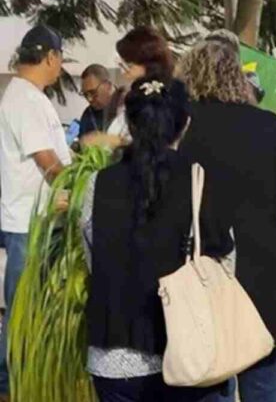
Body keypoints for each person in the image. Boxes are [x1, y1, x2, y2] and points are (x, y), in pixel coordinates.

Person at [177, 31, 276, 402]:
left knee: (209, 383)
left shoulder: (182, 129)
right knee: (264, 389)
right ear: (238, 76)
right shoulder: (267, 125)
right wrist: (268, 212)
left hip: (205, 272)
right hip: (267, 272)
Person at [79, 77, 232, 401]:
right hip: (187, 354)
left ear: (129, 123)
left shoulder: (98, 183)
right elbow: (223, 257)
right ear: (184, 122)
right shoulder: (198, 180)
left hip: (115, 356)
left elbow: (93, 254)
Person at [0, 25, 72, 400]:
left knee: (30, 307)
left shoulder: (27, 96)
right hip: (29, 223)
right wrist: (82, 183)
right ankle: (9, 386)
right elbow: (48, 162)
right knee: (22, 312)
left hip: (36, 219)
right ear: (50, 57)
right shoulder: (25, 100)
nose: (60, 68)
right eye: (60, 60)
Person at [83, 26, 175, 149]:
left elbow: (156, 147)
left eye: (129, 66)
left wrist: (117, 141)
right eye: (121, 65)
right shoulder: (127, 100)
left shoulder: (162, 102)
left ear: (150, 66)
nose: (124, 73)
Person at [78, 64, 117, 138]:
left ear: (108, 86)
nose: (90, 99)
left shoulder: (127, 107)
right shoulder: (87, 115)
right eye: (85, 95)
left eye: (93, 92)